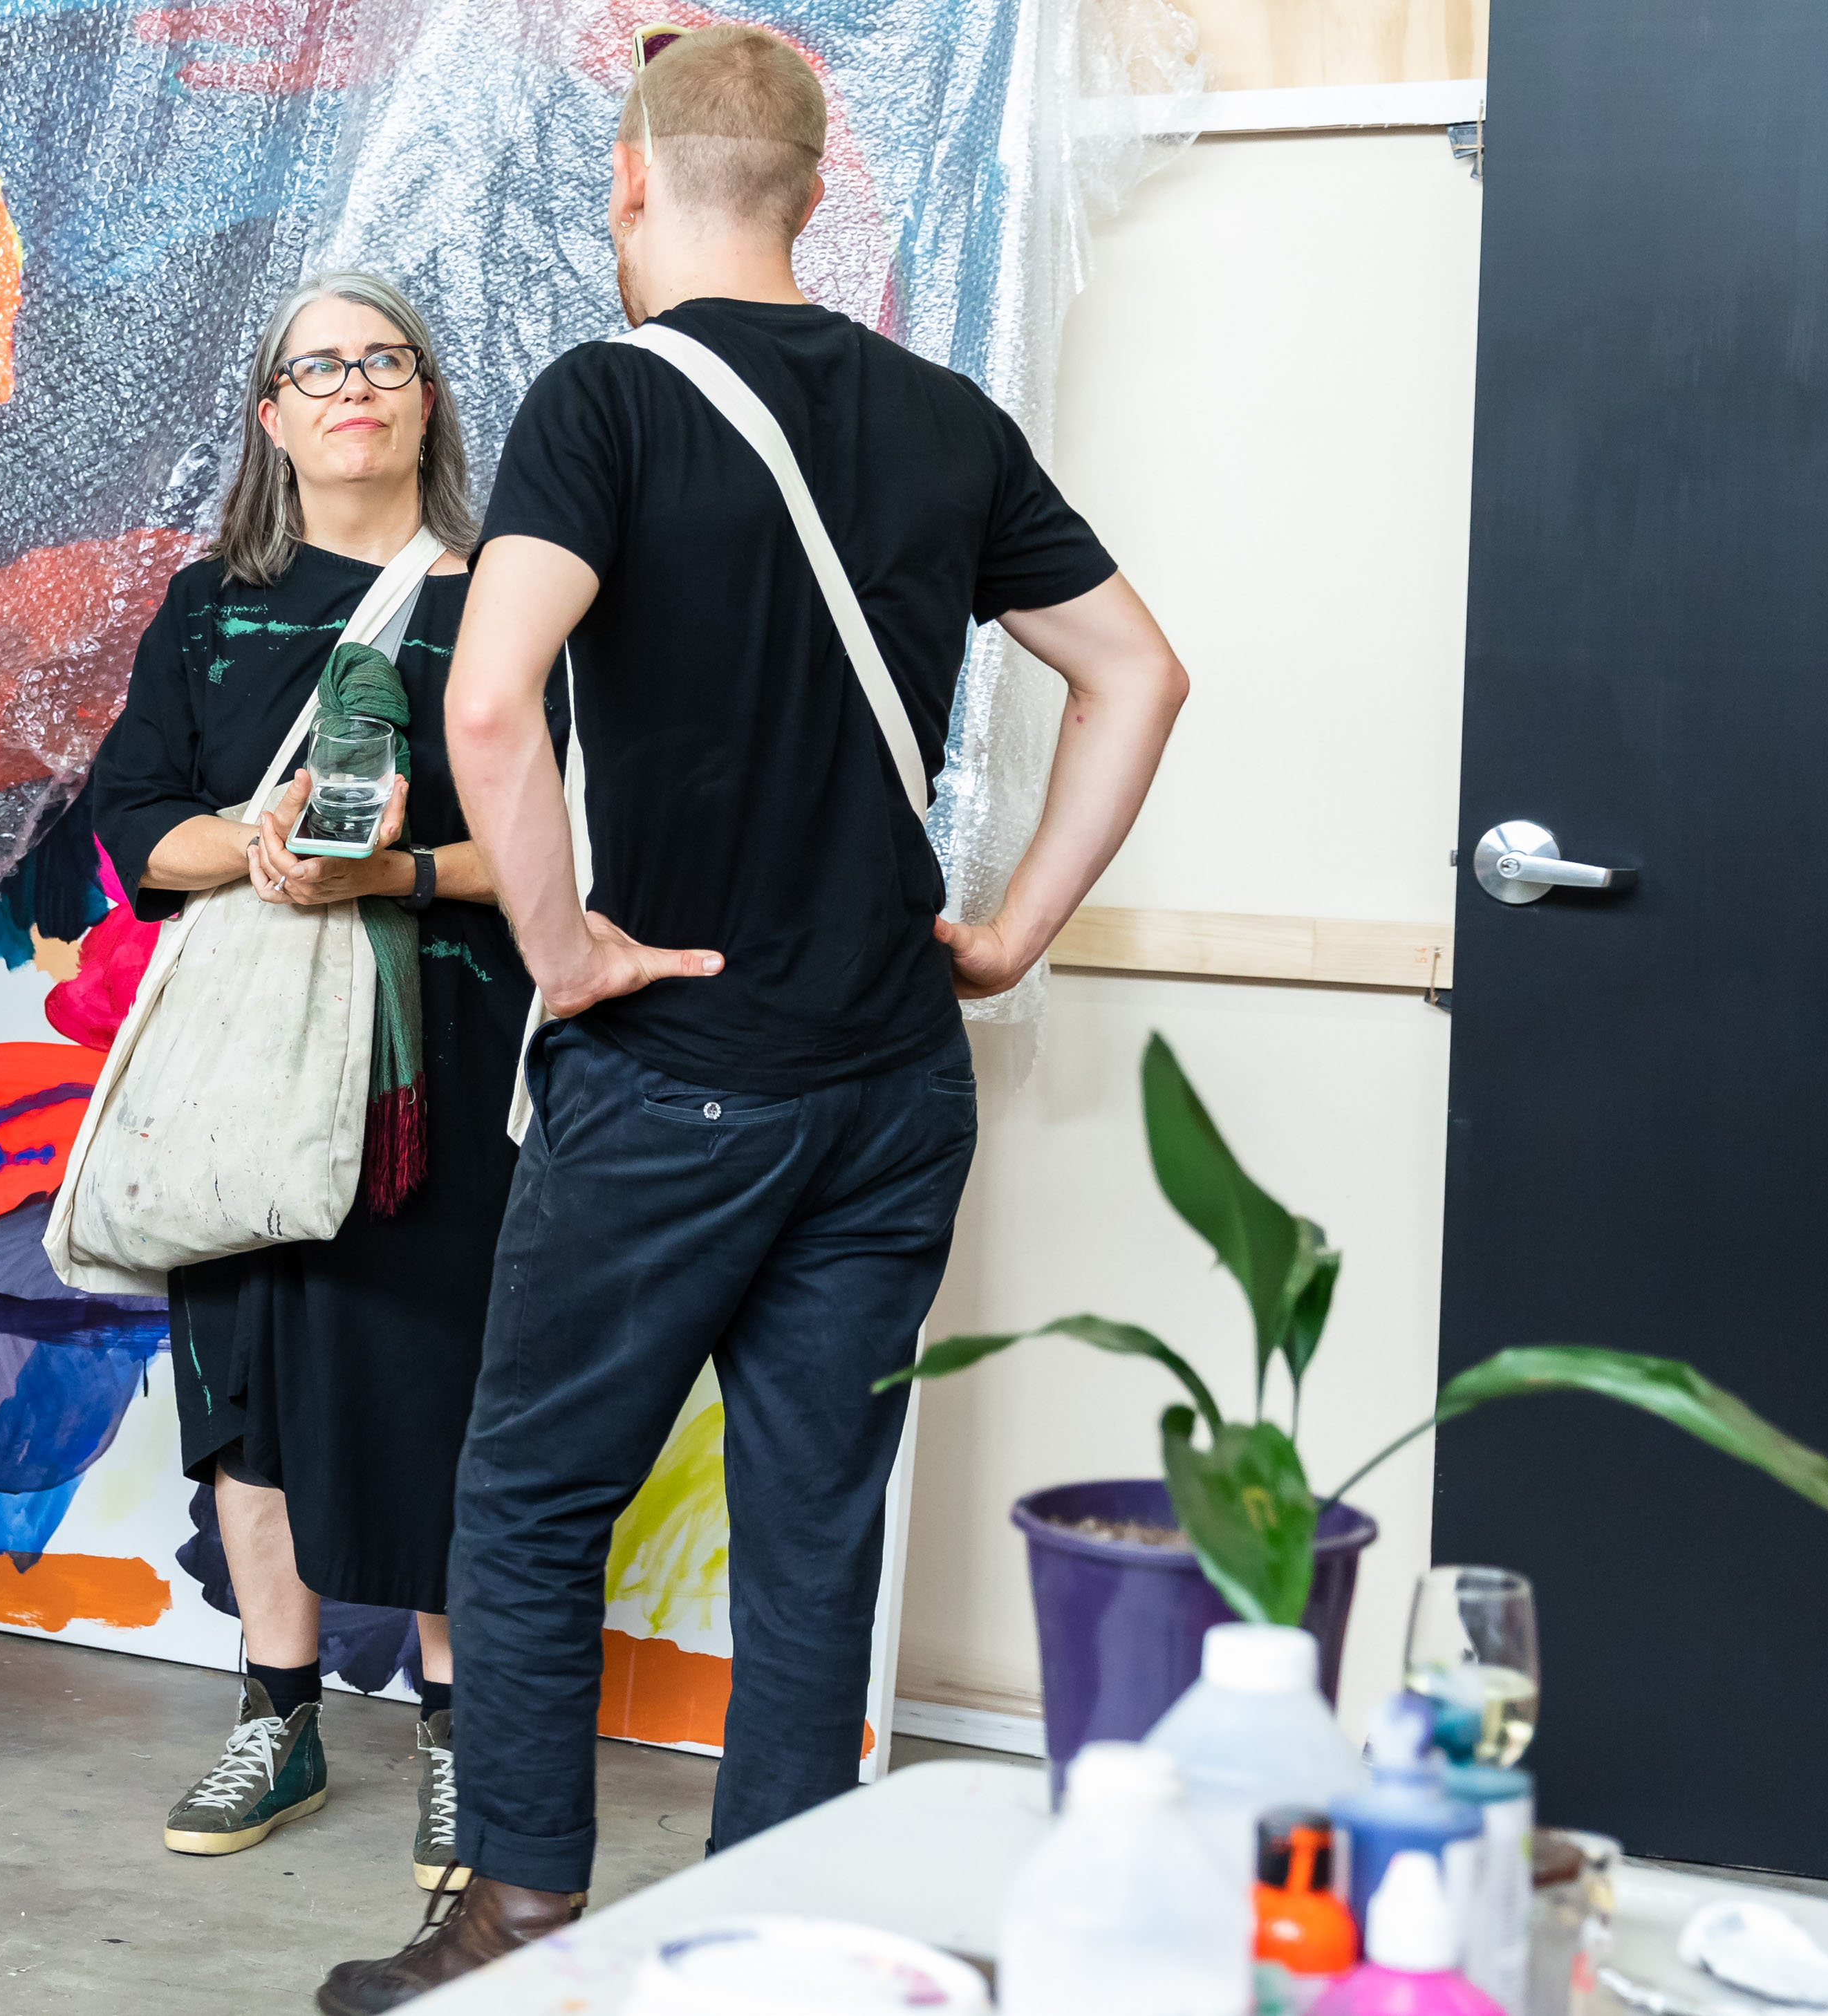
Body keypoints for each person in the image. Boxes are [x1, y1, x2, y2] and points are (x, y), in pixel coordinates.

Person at [319, 28, 1188, 2004]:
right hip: (895, 1078)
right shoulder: (947, 416)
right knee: (818, 1526)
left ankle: (526, 1911)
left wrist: (564, 951)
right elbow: (1137, 674)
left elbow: (484, 701)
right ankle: (784, 1937)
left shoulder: (608, 401)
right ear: (820, 187)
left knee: (533, 1493)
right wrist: (1018, 926)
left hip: (678, 1080)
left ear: (631, 185)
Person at [89, 271, 532, 1894]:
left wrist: (394, 874)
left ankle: (460, 1727)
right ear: (272, 416)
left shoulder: (510, 603)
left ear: (428, 398)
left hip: (444, 1065)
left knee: (440, 1381)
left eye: (385, 358)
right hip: (251, 1060)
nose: (354, 384)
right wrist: (251, 846)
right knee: (245, 1386)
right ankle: (277, 1712)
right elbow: (136, 814)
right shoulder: (212, 602)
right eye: (317, 366)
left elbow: (566, 854)